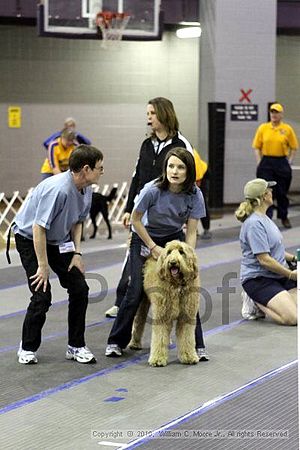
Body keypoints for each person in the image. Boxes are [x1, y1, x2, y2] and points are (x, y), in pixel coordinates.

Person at [105, 148, 209, 360]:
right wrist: (153, 247)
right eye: (171, 166)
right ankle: (116, 341)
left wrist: (187, 257)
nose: (175, 171)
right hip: (144, 238)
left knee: (189, 291)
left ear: (189, 171)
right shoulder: (152, 190)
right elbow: (135, 220)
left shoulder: (195, 195)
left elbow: (191, 232)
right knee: (135, 291)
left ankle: (197, 347)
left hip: (173, 239)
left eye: (180, 167)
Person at [105, 96, 195, 319]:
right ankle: (122, 300)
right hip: (141, 210)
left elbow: (189, 180)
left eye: (152, 114)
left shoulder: (181, 145)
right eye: (147, 114)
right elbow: (136, 176)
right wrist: (128, 208)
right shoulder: (146, 144)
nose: (149, 118)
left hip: (167, 216)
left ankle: (169, 301)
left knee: (168, 261)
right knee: (132, 256)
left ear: (164, 114)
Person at [14, 145, 104, 364]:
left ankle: (76, 346)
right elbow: (38, 228)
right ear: (86, 169)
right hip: (30, 238)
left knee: (80, 288)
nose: (103, 171)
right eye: (100, 167)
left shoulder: (87, 188)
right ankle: (27, 347)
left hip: (59, 240)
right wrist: (42, 266)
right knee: (42, 294)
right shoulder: (59, 190)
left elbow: (78, 221)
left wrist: (77, 253)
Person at [235, 178, 297, 325]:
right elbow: (264, 260)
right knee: (292, 318)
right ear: (263, 196)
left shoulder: (265, 219)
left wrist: (295, 258)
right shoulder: (254, 224)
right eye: (269, 190)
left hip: (276, 276)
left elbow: (276, 251)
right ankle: (255, 301)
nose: (272, 192)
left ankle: (275, 298)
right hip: (259, 279)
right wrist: (290, 274)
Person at [252, 103, 298, 229]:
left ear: (281, 114)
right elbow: (256, 146)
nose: (274, 114)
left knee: (282, 192)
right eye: (272, 112)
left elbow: (294, 147)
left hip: (281, 162)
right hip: (266, 162)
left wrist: (290, 160)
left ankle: (284, 216)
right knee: (266, 191)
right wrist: (259, 161)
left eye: (276, 112)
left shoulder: (287, 129)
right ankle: (267, 218)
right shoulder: (263, 128)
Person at [193, 148, 212, 239]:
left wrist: (197, 182)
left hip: (202, 175)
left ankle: (206, 229)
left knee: (202, 202)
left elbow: (198, 172)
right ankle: (193, 229)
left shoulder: (191, 152)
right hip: (193, 178)